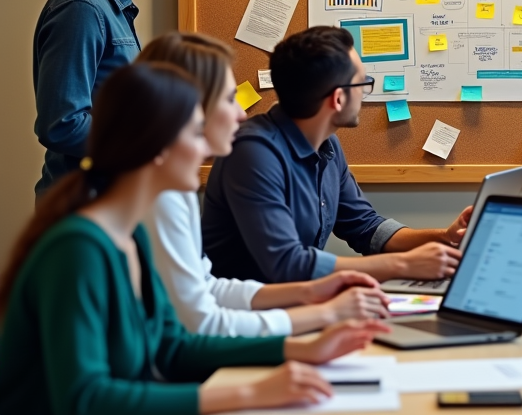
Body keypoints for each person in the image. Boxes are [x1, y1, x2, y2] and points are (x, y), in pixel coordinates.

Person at [0, 62, 389, 415]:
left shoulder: (132, 234)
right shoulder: (78, 249)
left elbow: (173, 347)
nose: (207, 147)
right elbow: (85, 398)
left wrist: (302, 348)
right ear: (156, 147)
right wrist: (253, 393)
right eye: (195, 133)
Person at [138, 32, 390, 337]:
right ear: (187, 108)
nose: (241, 114)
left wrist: (312, 294)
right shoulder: (161, 195)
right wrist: (325, 313)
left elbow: (207, 288)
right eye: (230, 99)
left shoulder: (175, 188)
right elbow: (199, 322)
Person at [203, 25, 472, 284]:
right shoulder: (253, 153)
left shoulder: (327, 145)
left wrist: (445, 237)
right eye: (363, 84)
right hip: (242, 317)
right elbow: (286, 263)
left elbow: (366, 228)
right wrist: (403, 264)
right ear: (339, 99)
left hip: (296, 303)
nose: (365, 95)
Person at [33, 0, 193, 196]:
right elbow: (62, 125)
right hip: (80, 214)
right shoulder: (83, 9)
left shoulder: (111, 10)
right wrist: (150, 140)